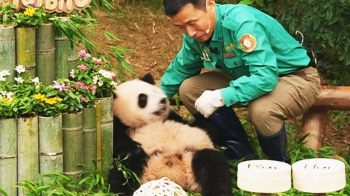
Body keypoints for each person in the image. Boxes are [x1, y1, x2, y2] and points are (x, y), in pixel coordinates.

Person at [159, 0, 321, 163]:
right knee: (190, 89)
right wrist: (156, 101)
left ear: (210, 5)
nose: (190, 32)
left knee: (262, 110)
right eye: (180, 27)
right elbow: (181, 69)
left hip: (295, 77)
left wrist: (222, 96)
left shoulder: (242, 23)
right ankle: (240, 153)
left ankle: (276, 165)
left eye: (192, 22)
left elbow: (265, 77)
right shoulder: (195, 35)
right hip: (247, 75)